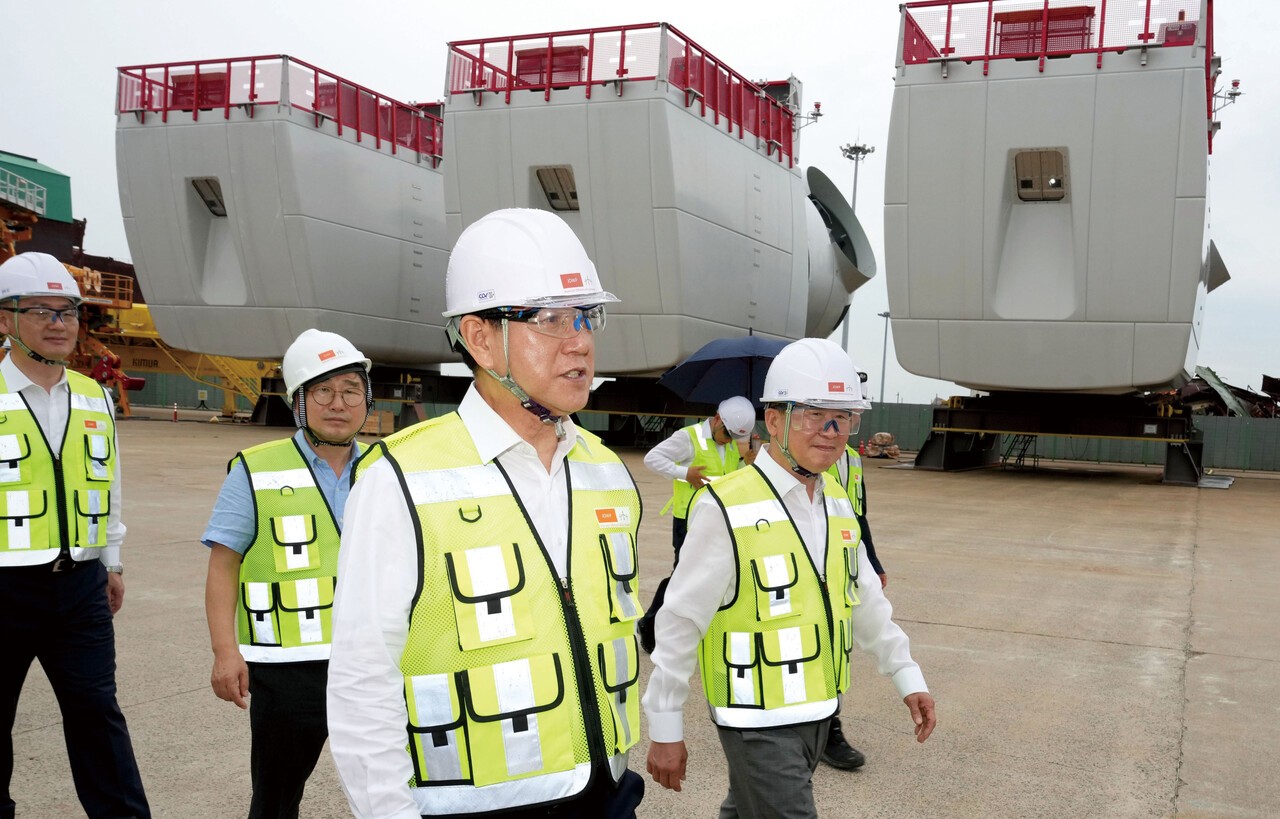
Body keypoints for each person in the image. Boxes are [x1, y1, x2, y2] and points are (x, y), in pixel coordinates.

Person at [328, 208, 646, 818]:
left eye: (585, 316)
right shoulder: (400, 480)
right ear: (478, 337)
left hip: (607, 795)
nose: (579, 340)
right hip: (478, 808)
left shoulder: (605, 470)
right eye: (549, 319)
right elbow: (363, 682)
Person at [643, 337, 937, 819]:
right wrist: (666, 723)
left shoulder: (838, 502)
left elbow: (864, 601)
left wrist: (907, 674)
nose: (830, 430)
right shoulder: (725, 507)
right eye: (811, 414)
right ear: (774, 420)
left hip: (820, 711)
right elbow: (678, 622)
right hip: (755, 721)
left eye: (843, 417)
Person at [0, 252, 150, 818]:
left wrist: (111, 562)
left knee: (97, 714)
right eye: (40, 310)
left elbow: (106, 482)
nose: (60, 323)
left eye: (69, 311)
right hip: (3, 587)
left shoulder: (95, 395)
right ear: (4, 320)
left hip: (79, 587)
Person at [201, 328, 372, 817]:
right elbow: (223, 565)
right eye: (322, 391)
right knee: (276, 798)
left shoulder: (387, 467)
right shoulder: (255, 470)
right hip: (287, 668)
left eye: (350, 390)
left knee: (392, 793)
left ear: (367, 398)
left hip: (373, 661)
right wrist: (224, 651)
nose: (338, 403)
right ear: (299, 401)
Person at [638, 396, 756, 653]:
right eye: (726, 433)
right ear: (716, 420)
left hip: (719, 519)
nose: (728, 439)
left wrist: (745, 461)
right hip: (689, 520)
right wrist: (685, 473)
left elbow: (729, 475)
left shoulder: (734, 444)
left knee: (711, 575)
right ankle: (649, 625)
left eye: (734, 436)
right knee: (683, 575)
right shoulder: (688, 437)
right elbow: (652, 459)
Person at [819, 435, 889, 771]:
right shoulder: (810, 450)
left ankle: (828, 728)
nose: (837, 426)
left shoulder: (852, 459)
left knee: (835, 643)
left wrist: (872, 562)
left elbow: (858, 515)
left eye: (849, 416)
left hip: (843, 554)